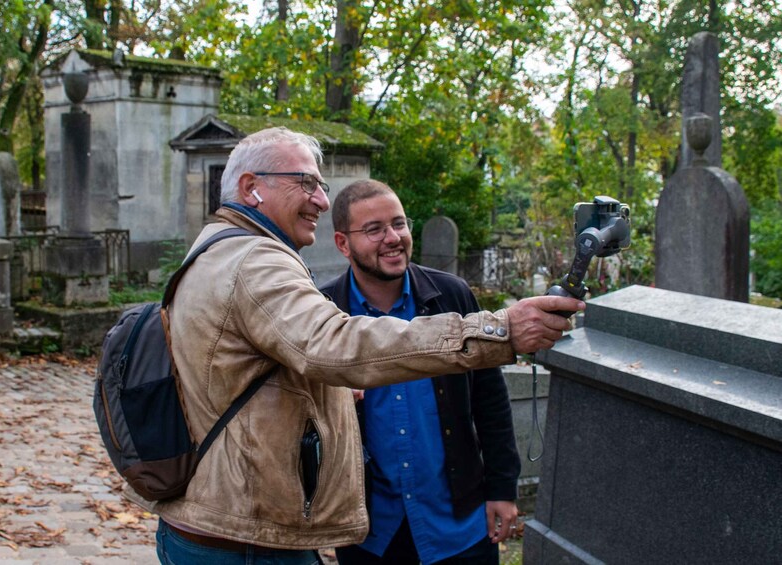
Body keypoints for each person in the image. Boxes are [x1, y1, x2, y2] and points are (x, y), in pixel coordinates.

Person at [146, 127, 583, 564]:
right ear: (251, 187)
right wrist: (500, 330)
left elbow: (261, 371)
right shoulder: (255, 260)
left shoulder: (215, 248)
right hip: (244, 540)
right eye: (306, 183)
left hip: (234, 523)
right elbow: (332, 345)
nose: (319, 199)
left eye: (398, 224)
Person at [319, 180, 519, 565]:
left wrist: (502, 488)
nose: (393, 238)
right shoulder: (326, 310)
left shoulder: (453, 297)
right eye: (374, 229)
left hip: (458, 524)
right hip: (372, 530)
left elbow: (490, 398)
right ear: (343, 244)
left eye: (399, 224)